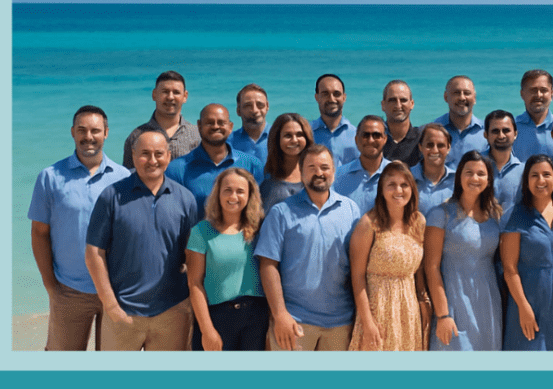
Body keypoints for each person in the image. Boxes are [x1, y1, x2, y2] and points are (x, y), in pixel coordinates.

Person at [84, 129, 202, 351]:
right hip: (122, 312)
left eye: (159, 154)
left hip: (171, 312)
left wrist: (187, 305)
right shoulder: (111, 196)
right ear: (133, 154)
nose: (152, 160)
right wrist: (110, 305)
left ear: (168, 156)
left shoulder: (185, 199)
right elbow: (94, 253)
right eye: (145, 154)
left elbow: (192, 256)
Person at [28, 105, 132, 350]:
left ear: (106, 133)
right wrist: (51, 286)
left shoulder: (124, 178)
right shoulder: (50, 177)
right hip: (69, 290)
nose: (88, 137)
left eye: (95, 130)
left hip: (115, 290)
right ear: (72, 132)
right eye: (82, 130)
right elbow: (39, 234)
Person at [255, 144, 361, 351]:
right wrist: (280, 315)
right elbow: (268, 265)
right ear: (301, 172)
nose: (319, 173)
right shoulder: (281, 212)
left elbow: (359, 265)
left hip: (341, 322)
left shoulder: (351, 210)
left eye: (324, 167)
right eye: (311, 167)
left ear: (334, 170)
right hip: (294, 320)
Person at [424, 152, 505, 351]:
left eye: (481, 173)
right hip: (453, 301)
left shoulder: (495, 215)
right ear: (459, 176)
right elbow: (431, 267)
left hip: (488, 302)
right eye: (469, 172)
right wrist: (443, 314)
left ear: (488, 179)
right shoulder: (440, 214)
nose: (475, 178)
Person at [500, 154, 553, 351]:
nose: (541, 180)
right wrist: (523, 307)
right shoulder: (516, 215)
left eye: (546, 174)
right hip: (529, 301)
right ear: (526, 181)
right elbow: (509, 268)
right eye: (534, 175)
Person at [184, 168, 268, 351]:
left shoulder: (261, 229)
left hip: (256, 319)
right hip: (216, 318)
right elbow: (194, 283)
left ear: (250, 195)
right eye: (228, 190)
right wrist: (207, 330)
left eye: (240, 191)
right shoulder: (201, 232)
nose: (233, 196)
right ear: (218, 193)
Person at [348, 163, 429, 351]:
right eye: (391, 184)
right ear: (382, 190)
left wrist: (423, 300)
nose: (398, 190)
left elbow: (420, 272)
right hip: (377, 311)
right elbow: (357, 277)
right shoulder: (369, 224)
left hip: (409, 313)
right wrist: (368, 322)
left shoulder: (419, 222)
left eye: (404, 185)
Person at [169, 103, 265, 202]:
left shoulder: (252, 165)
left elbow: (258, 209)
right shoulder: (177, 169)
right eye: (209, 122)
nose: (215, 127)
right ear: (199, 125)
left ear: (230, 127)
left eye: (221, 123)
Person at [121, 70, 200, 167]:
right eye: (165, 92)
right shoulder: (136, 136)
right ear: (154, 94)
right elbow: (129, 176)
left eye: (176, 92)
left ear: (185, 96)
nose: (170, 97)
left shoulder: (197, 136)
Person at [333, 115, 393, 215]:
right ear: (356, 139)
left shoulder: (395, 174)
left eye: (376, 135)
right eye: (365, 135)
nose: (370, 140)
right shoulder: (338, 176)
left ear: (385, 139)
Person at [258, 112, 315, 207]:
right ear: (277, 139)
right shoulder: (267, 178)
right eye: (288, 135)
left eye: (299, 134)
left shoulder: (316, 172)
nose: (294, 140)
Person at [433, 75, 488, 164]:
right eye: (456, 93)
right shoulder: (433, 130)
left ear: (474, 98)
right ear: (446, 97)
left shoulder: (487, 131)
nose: (462, 98)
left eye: (467, 93)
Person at [312, 74, 358, 168]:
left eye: (336, 94)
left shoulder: (357, 135)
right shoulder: (305, 134)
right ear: (317, 97)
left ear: (344, 97)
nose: (331, 99)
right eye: (325, 94)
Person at [482, 109, 524, 212]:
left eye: (506, 130)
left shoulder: (524, 171)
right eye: (495, 131)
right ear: (486, 135)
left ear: (515, 134)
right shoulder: (474, 167)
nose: (501, 136)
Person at [411, 122, 457, 216]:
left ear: (448, 148)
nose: (435, 150)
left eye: (440, 145)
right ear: (420, 147)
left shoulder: (458, 180)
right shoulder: (407, 177)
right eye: (429, 145)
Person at [513, 69, 553, 161]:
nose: (538, 95)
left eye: (544, 90)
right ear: (522, 94)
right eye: (533, 90)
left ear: (551, 94)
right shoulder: (511, 128)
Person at [379, 80, 423, 167]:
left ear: (412, 104)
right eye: (392, 100)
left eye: (403, 100)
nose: (398, 105)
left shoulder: (422, 139)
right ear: (383, 105)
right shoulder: (373, 138)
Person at [227, 83, 271, 163]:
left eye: (260, 105)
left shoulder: (280, 138)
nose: (255, 110)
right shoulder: (228, 143)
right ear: (238, 110)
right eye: (248, 105)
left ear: (267, 106)